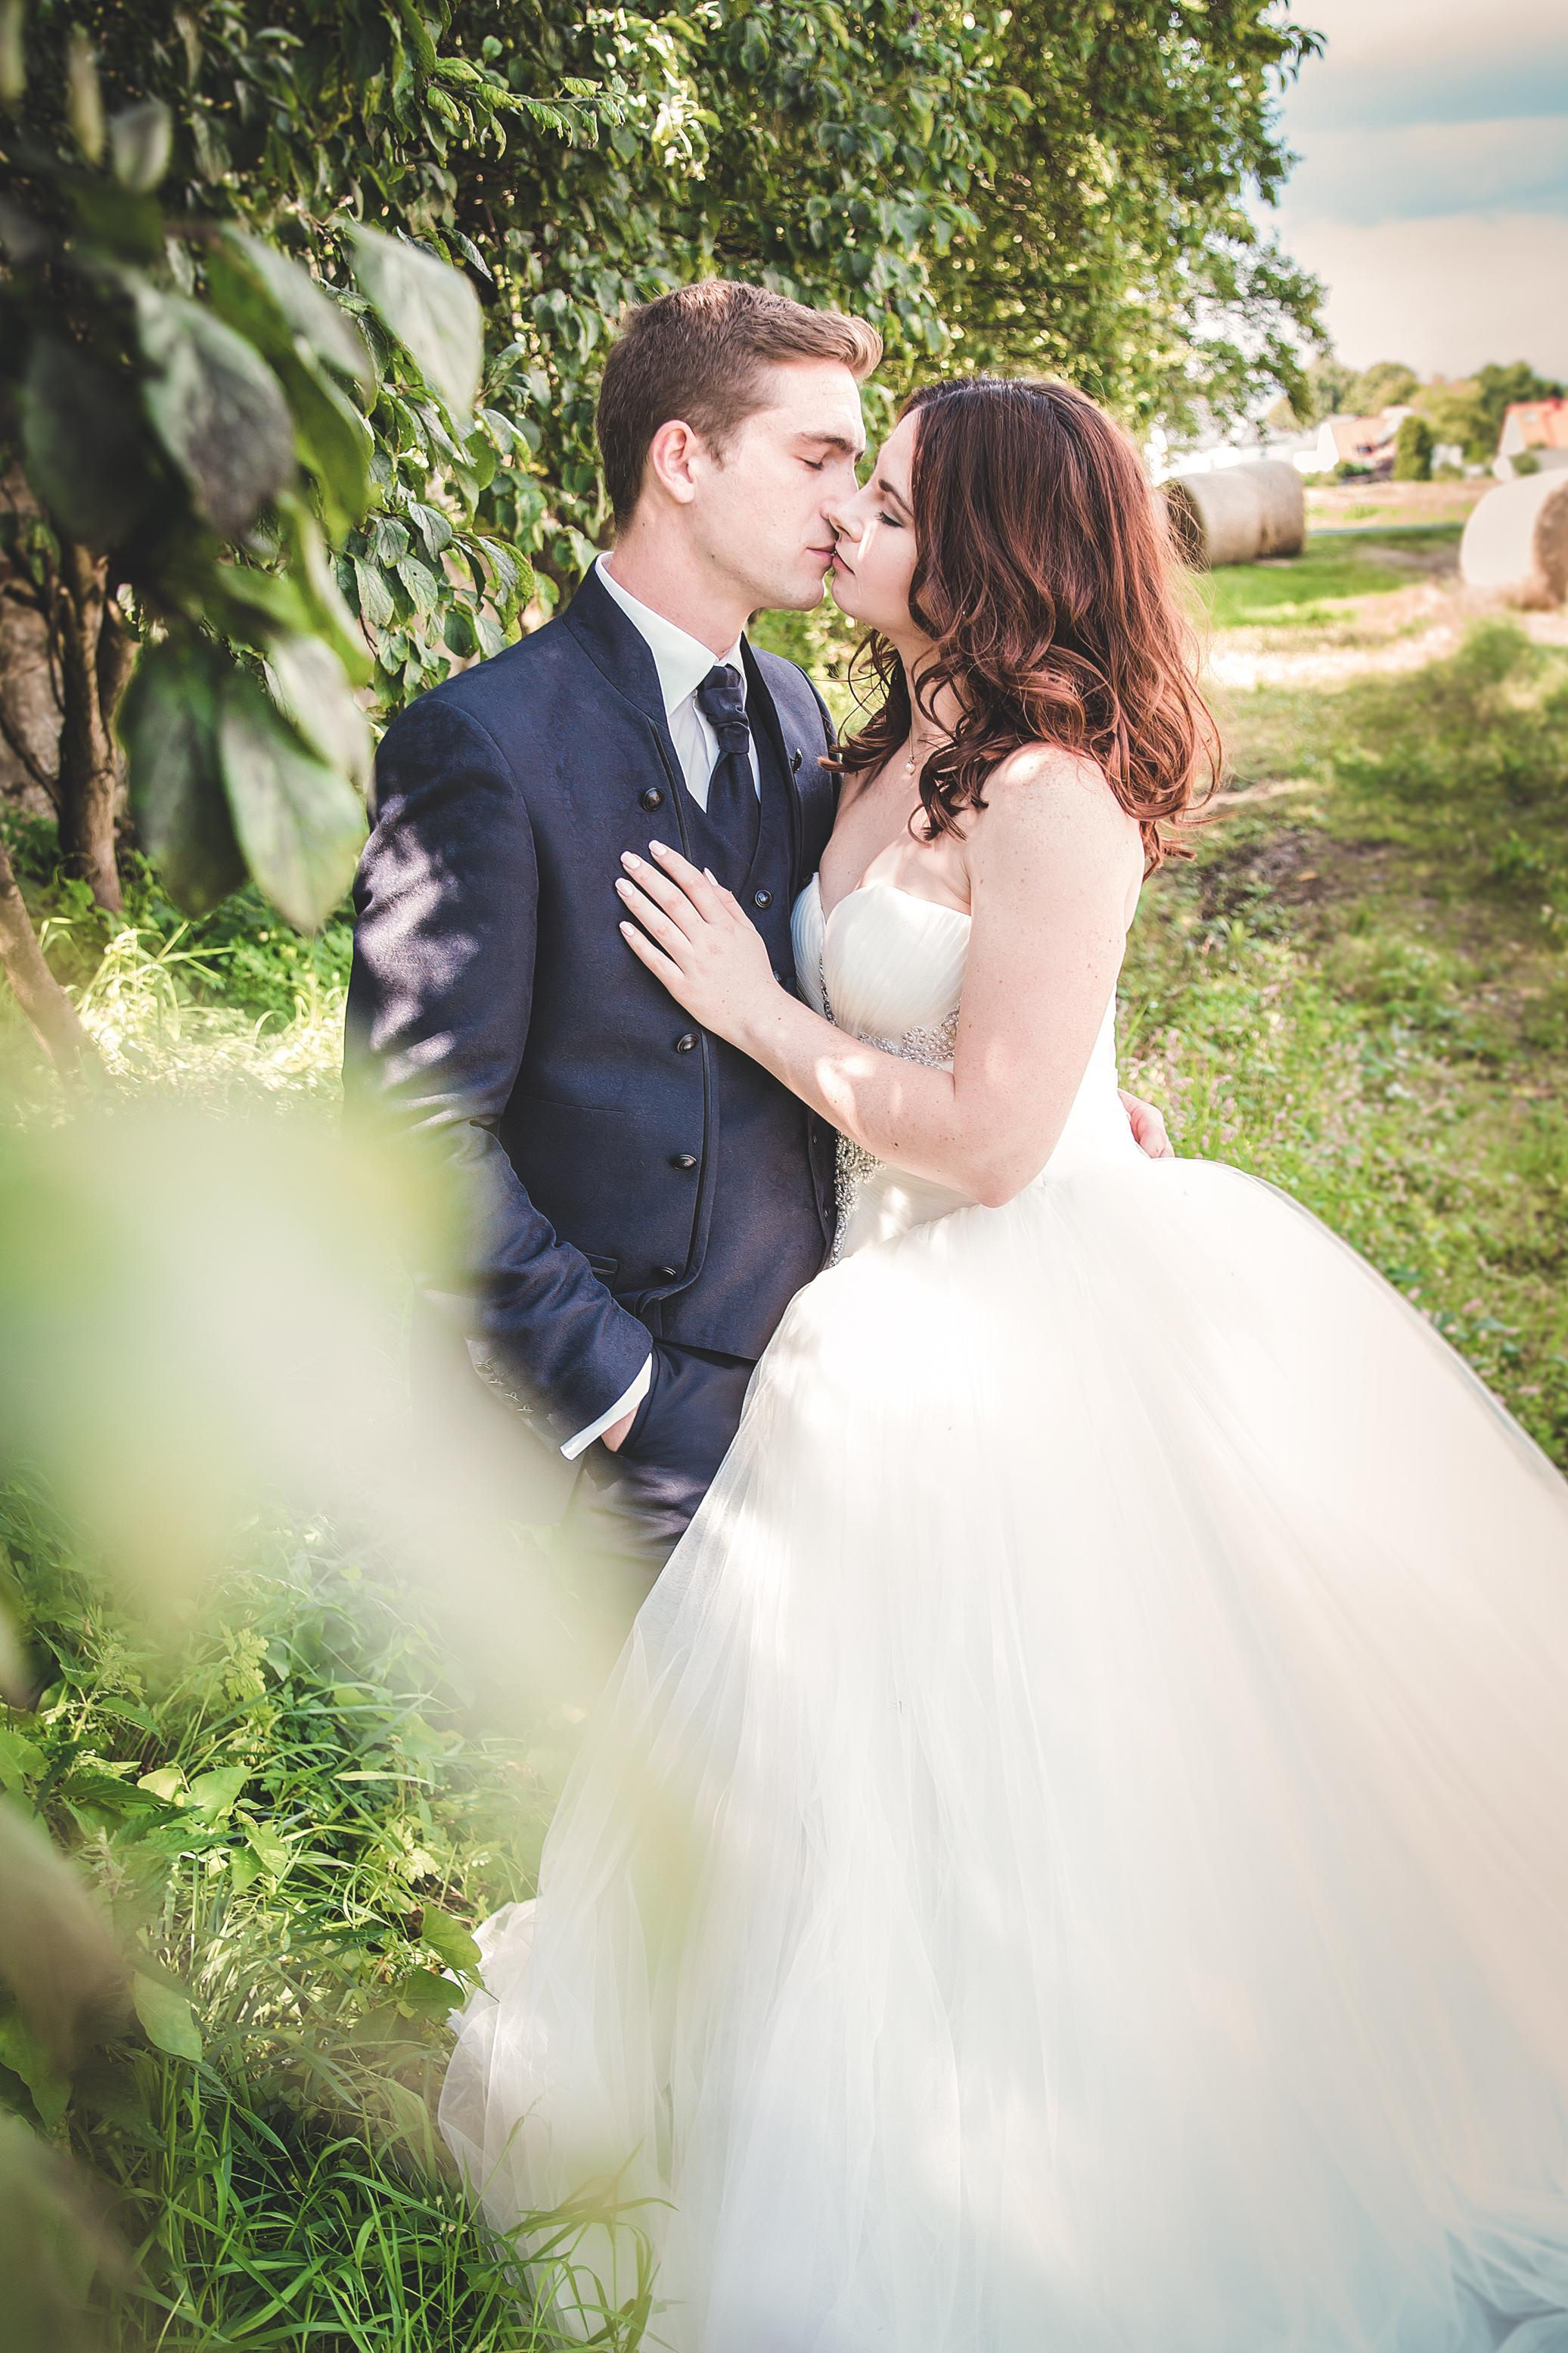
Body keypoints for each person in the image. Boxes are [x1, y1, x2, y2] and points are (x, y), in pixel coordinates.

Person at [440, 375, 1568, 2353]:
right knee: (831, 1757)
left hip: (1020, 1291)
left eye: (887, 497)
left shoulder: (1057, 794)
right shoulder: (876, 742)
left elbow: (978, 1128)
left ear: (983, 544)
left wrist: (755, 1004)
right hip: (877, 1304)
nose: (851, 519)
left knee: (1059, 1748)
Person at [343, 281, 1173, 1602]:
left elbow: (890, 968)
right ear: (682, 457)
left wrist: (1058, 1094)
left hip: (862, 1369)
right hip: (650, 1417)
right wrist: (622, 1394)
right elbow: (409, 1133)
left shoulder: (799, 711)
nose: (847, 509)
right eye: (820, 460)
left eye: (870, 480)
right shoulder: (483, 742)